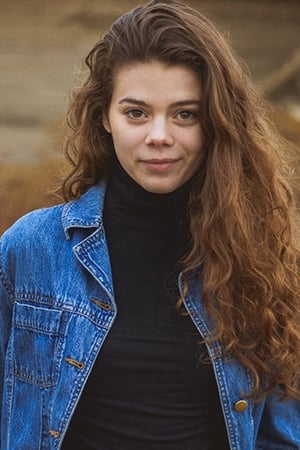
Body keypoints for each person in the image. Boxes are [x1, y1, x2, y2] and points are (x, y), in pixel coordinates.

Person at [1, 0, 300, 448]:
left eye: (185, 113)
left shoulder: (258, 260)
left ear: (215, 122)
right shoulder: (31, 249)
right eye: (136, 112)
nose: (159, 135)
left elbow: (281, 435)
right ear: (105, 117)